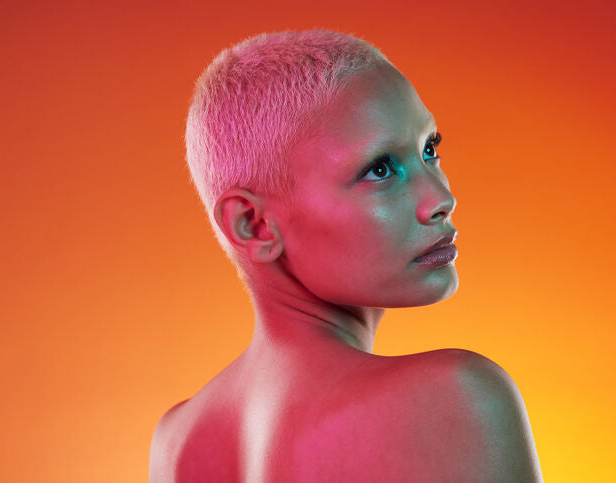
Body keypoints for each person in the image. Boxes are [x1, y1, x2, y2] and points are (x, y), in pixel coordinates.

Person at [149, 29, 542, 482]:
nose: (439, 198)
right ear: (253, 224)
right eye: (379, 169)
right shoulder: (451, 398)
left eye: (429, 149)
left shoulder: (176, 442)